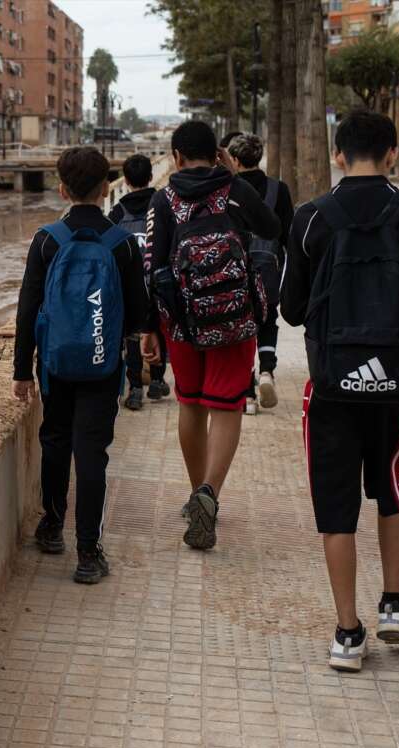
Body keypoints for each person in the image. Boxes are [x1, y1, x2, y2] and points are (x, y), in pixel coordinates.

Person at [280, 110, 399, 672]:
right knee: (392, 484)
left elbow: (292, 309)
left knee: (336, 505)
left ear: (337, 155)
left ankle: (347, 635)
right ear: (393, 155)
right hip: (396, 384)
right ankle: (394, 606)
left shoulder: (310, 219)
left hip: (332, 385)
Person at [140, 120, 280, 550]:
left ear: (176, 156)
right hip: (235, 319)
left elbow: (153, 265)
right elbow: (272, 228)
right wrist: (235, 178)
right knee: (226, 406)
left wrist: (150, 329)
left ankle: (194, 491)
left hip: (182, 321)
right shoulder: (235, 191)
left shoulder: (163, 200)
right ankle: (210, 493)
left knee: (192, 405)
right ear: (218, 153)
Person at [13, 146, 147, 584]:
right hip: (102, 365)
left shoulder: (47, 239)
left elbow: (28, 308)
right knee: (92, 454)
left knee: (54, 440)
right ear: (108, 188)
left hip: (54, 364)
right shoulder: (123, 244)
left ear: (62, 189)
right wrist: (136, 359)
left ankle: (51, 527)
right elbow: (137, 315)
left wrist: (20, 370)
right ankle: (88, 554)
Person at [227, 133, 295, 412]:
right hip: (268, 267)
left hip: (236, 267)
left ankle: (248, 394)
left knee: (241, 326)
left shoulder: (230, 189)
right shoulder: (278, 189)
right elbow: (288, 234)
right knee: (268, 318)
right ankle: (267, 370)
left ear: (234, 159)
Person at [108, 152, 168, 411]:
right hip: (158, 279)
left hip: (128, 283)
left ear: (126, 180)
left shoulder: (117, 212)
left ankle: (134, 389)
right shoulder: (162, 205)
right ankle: (157, 379)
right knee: (159, 328)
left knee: (133, 334)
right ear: (151, 176)